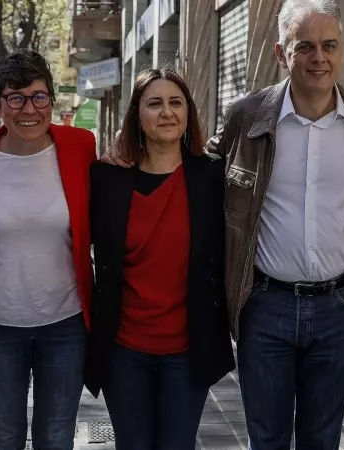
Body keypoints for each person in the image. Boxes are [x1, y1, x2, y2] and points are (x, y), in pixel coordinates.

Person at [103, 1, 344, 448]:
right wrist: (128, 152)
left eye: (329, 45)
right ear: (280, 53)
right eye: (304, 46)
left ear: (343, 50)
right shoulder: (246, 117)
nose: (318, 58)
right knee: (265, 437)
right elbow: (192, 161)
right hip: (266, 305)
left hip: (340, 308)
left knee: (321, 438)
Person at [0, 49, 95, 450]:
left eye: (39, 96)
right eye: (15, 97)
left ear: (51, 99)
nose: (28, 108)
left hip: (65, 321)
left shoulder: (81, 146)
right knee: (3, 436)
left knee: (56, 434)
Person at [87, 67, 235, 450]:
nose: (167, 112)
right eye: (154, 104)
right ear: (137, 114)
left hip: (188, 349)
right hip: (124, 348)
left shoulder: (212, 175)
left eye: (176, 102)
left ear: (188, 113)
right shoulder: (107, 178)